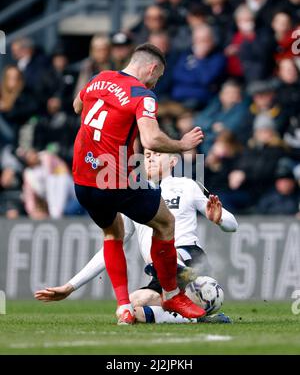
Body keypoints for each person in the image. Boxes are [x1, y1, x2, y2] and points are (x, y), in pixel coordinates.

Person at [71, 43, 205, 325]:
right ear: (153, 69)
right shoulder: (143, 95)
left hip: (83, 181)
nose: (156, 83)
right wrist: (182, 144)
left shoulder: (99, 78)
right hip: (115, 179)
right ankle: (171, 293)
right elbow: (152, 140)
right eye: (158, 77)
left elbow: (77, 106)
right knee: (166, 223)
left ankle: (123, 308)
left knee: (112, 233)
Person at [35, 148, 238, 324]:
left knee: (170, 256)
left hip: (190, 257)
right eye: (147, 154)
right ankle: (194, 315)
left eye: (157, 154)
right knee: (130, 308)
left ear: (173, 161)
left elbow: (232, 225)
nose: (149, 158)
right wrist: (71, 286)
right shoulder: (133, 197)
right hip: (160, 273)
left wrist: (219, 219)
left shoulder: (186, 185)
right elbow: (112, 246)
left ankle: (181, 272)